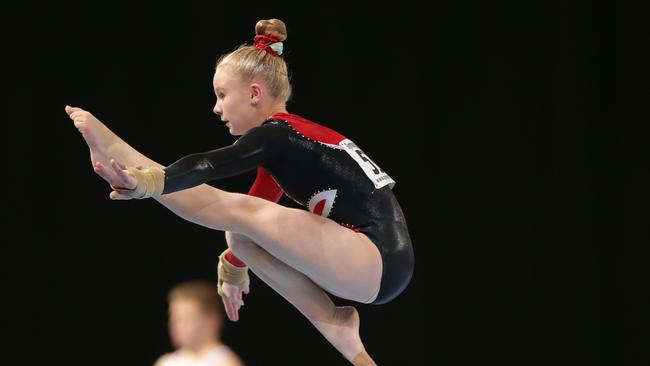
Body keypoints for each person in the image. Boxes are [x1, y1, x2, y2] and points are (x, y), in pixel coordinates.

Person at [66, 18, 414, 366]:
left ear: (253, 93)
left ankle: (119, 150)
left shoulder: (277, 135)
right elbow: (258, 207)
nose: (216, 108)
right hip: (378, 266)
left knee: (234, 211)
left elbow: (210, 165)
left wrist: (148, 183)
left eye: (221, 94)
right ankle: (335, 324)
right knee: (239, 234)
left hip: (375, 257)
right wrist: (234, 266)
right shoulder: (290, 142)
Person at [155, 280, 244, 366]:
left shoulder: (226, 362)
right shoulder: (165, 362)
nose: (175, 325)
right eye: (174, 318)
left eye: (186, 318)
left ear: (212, 321)